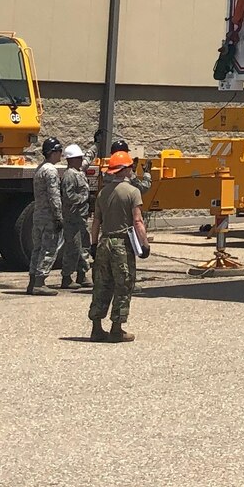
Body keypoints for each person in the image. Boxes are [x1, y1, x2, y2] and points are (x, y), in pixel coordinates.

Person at [88, 151, 147, 343]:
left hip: (104, 242)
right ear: (126, 169)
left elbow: (96, 221)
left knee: (101, 285)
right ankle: (116, 329)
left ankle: (96, 328)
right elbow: (137, 221)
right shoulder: (133, 192)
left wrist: (94, 244)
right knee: (123, 285)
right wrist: (144, 244)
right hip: (122, 244)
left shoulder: (103, 193)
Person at [27, 136, 64, 296]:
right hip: (49, 216)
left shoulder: (40, 169)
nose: (61, 154)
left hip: (38, 214)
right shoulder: (51, 171)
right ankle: (40, 282)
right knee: (49, 249)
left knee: (37, 249)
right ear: (53, 152)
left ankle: (32, 281)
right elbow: (54, 196)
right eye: (59, 151)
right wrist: (58, 216)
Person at [57, 143, 91, 289]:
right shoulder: (70, 175)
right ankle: (67, 276)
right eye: (78, 158)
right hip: (72, 217)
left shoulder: (78, 173)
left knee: (84, 246)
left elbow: (88, 160)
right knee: (73, 247)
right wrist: (84, 198)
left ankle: (82, 274)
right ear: (71, 159)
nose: (81, 159)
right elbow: (69, 196)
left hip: (81, 216)